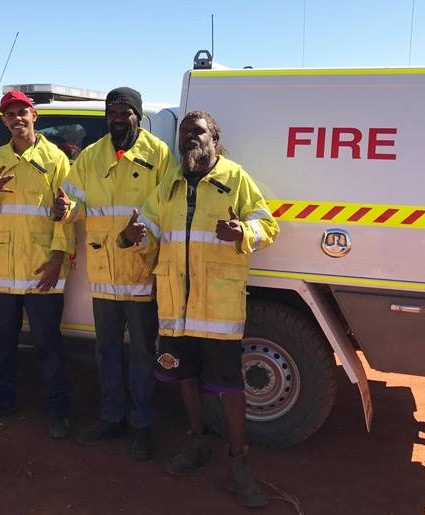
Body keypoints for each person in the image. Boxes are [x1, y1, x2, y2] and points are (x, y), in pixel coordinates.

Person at [120, 111, 280, 507]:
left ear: (214, 138)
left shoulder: (234, 179)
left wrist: (245, 232)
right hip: (176, 306)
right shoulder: (169, 185)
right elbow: (151, 230)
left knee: (229, 387)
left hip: (219, 308)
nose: (190, 138)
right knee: (184, 378)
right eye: (184, 133)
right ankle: (197, 444)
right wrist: (132, 236)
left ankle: (238, 463)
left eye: (198, 132)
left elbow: (267, 223)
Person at [53, 87, 175, 460]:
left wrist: (143, 238)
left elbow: (165, 208)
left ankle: (143, 426)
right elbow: (76, 202)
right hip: (103, 272)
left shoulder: (159, 155)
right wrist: (65, 207)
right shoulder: (91, 156)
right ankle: (111, 417)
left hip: (141, 271)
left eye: (125, 111)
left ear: (137, 114)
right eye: (112, 111)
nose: (117, 117)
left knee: (141, 353)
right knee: (105, 351)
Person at [0, 90, 73, 439]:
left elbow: (66, 213)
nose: (17, 120)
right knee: (3, 341)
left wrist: (59, 257)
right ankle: (1, 400)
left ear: (34, 116)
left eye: (21, 113)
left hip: (41, 267)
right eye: (10, 115)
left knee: (47, 344)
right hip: (4, 268)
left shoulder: (56, 159)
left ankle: (58, 409)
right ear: (5, 122)